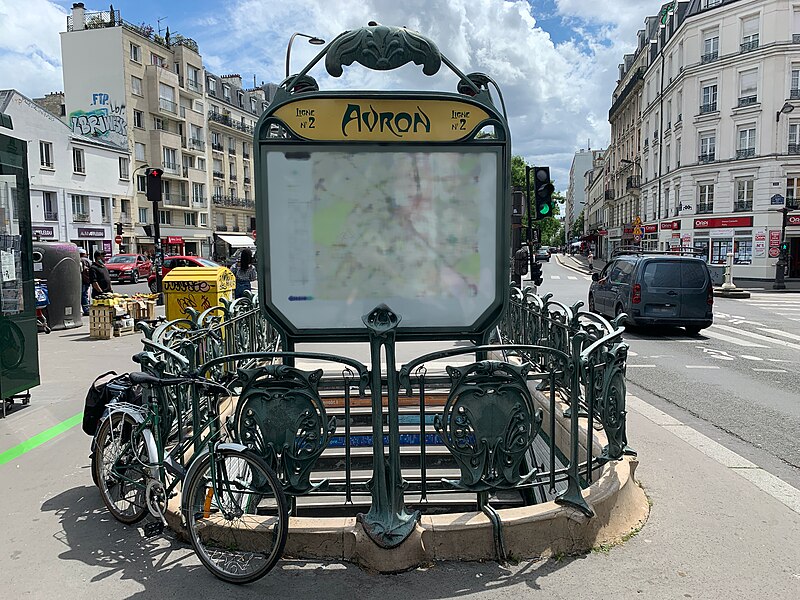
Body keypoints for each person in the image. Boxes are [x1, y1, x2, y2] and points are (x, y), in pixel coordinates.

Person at [79, 248, 91, 316]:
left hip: (82, 281)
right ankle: (86, 308)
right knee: (85, 295)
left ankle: (85, 309)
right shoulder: (89, 261)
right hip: (87, 280)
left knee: (83, 295)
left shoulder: (80, 260)